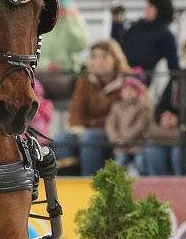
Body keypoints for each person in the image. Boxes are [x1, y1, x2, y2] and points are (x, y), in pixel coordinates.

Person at [53, 39, 134, 176]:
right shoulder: (85, 79)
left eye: (104, 57)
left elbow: (124, 117)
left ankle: (90, 183)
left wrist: (90, 126)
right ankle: (67, 183)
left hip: (115, 133)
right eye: (95, 56)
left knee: (89, 138)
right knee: (60, 139)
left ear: (115, 59)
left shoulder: (128, 81)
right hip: (86, 130)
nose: (99, 61)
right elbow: (76, 111)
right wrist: (79, 128)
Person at [143, 41, 186, 175]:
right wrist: (164, 116)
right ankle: (157, 191)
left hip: (181, 135)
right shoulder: (177, 77)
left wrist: (178, 120)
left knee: (178, 153)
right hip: (171, 132)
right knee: (152, 149)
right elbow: (160, 106)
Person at [119, 0, 179, 81]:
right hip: (124, 75)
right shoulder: (136, 27)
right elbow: (118, 45)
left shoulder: (165, 34)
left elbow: (173, 66)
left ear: (160, 9)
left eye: (150, 6)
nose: (146, 9)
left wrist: (172, 88)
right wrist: (116, 24)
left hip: (143, 81)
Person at [104, 76, 153, 175]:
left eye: (133, 89)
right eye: (126, 89)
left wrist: (124, 140)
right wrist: (115, 139)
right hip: (120, 145)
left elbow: (139, 127)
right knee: (119, 163)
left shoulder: (142, 107)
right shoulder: (116, 106)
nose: (129, 92)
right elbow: (110, 125)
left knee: (140, 164)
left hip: (137, 145)